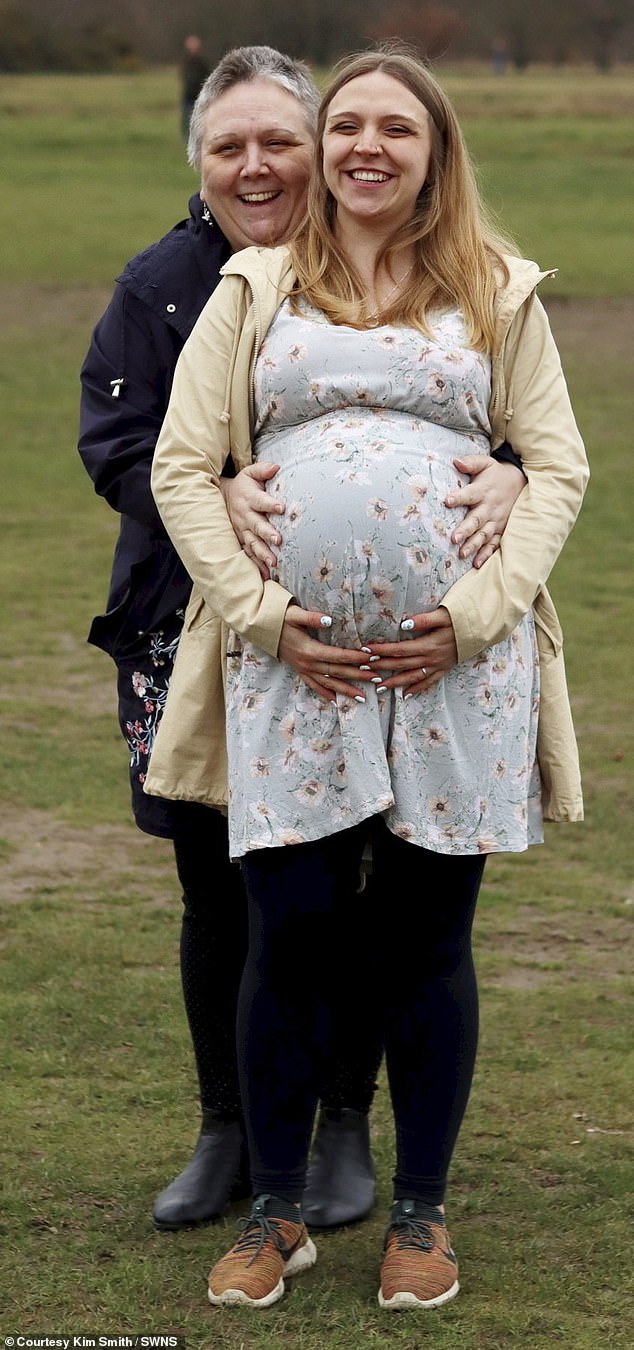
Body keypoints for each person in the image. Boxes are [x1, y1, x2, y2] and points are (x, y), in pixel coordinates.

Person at [148, 47, 588, 1311]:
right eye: (346, 125)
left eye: (397, 127)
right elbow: (185, 468)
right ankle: (277, 1212)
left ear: (434, 150)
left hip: (461, 670)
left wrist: (470, 615)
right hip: (294, 670)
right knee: (286, 932)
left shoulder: (500, 291)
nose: (367, 147)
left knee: (424, 944)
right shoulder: (255, 286)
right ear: (323, 146)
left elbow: (553, 468)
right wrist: (265, 615)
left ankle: (420, 1219)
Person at [180, 36, 208, 141]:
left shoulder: (202, 63)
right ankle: (185, 138)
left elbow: (206, 77)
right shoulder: (185, 62)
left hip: (198, 95)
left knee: (198, 118)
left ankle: (197, 138)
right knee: (186, 118)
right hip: (187, 95)